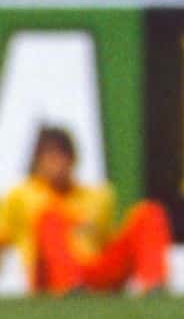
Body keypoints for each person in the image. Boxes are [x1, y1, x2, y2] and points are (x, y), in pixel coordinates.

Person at [2, 126, 171, 295]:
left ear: (73, 159)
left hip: (91, 274)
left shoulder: (98, 196)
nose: (58, 164)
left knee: (150, 212)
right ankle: (69, 285)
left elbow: (107, 242)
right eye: (51, 157)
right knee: (49, 219)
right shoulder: (20, 197)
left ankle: (154, 284)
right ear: (38, 161)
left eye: (63, 156)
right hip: (50, 280)